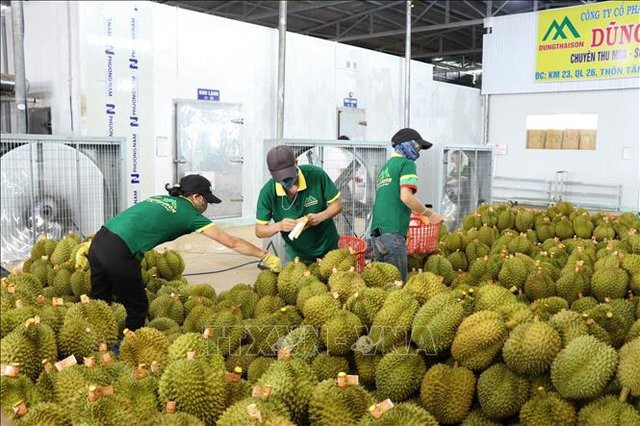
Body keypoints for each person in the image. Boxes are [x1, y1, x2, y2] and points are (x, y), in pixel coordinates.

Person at [88, 174, 281, 331]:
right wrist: (264, 255)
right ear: (197, 197)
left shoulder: (162, 198)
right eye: (207, 200)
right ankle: (127, 351)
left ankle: (96, 343)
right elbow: (231, 242)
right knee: (138, 308)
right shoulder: (189, 215)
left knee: (99, 301)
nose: (207, 206)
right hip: (120, 252)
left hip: (99, 241)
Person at [370, 128, 445, 282]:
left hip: (377, 233)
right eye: (417, 146)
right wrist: (430, 214)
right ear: (407, 145)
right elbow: (406, 197)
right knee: (398, 287)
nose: (418, 151)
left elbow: (390, 200)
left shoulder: (385, 169)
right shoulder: (406, 164)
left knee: (380, 284)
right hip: (392, 233)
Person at [255, 145, 343, 263]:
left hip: (329, 250)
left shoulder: (316, 175)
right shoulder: (268, 192)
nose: (286, 182)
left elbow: (337, 205)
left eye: (288, 176)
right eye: (281, 178)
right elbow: (259, 231)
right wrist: (279, 226)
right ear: (272, 175)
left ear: (296, 162)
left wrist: (320, 217)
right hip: (296, 256)